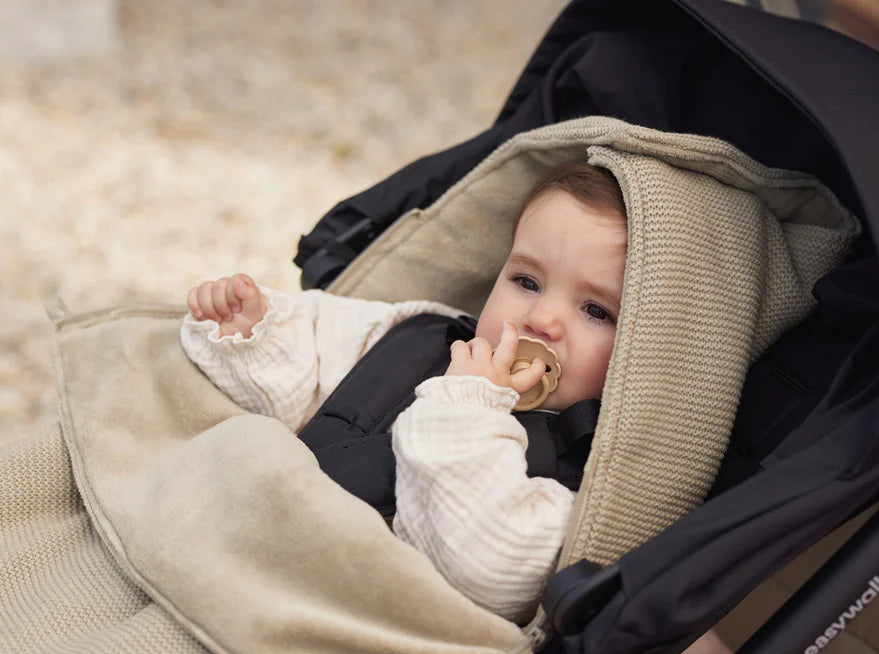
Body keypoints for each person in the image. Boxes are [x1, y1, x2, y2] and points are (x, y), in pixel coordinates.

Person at [181, 162, 627, 622]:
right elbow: (313, 366)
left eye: (596, 310)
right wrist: (256, 332)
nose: (542, 318)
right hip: (251, 532)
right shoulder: (433, 338)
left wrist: (469, 412)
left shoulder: (585, 477)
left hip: (346, 611)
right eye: (527, 282)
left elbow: (497, 573)